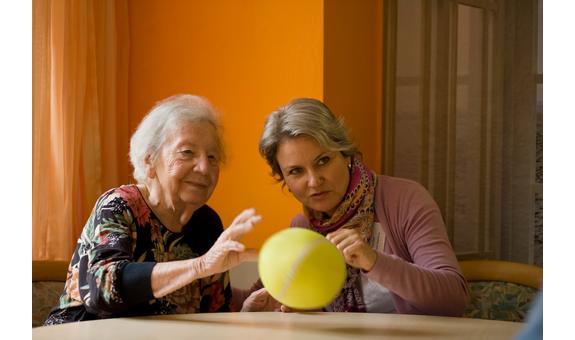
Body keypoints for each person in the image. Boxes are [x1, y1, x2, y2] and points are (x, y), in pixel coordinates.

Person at [237, 97, 468, 316]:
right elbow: (256, 297)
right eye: (296, 171)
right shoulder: (302, 228)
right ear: (284, 179)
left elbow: (454, 298)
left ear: (346, 154)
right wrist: (208, 271)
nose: (314, 181)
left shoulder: (404, 200)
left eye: (323, 161)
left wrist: (374, 261)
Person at [44, 94, 261, 325]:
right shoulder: (119, 205)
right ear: (149, 161)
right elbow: (102, 289)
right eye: (187, 152)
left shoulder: (207, 222)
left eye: (212, 156)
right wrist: (200, 265)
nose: (204, 167)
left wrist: (247, 313)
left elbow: (217, 315)